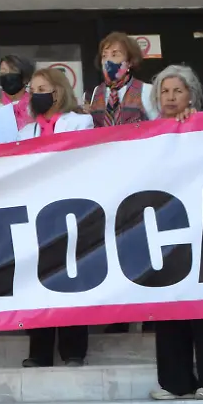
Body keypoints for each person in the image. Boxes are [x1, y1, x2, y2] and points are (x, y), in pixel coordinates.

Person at [146, 65, 203, 401]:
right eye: (164, 92)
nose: (170, 97)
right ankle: (175, 382)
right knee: (168, 304)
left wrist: (196, 128)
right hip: (165, 228)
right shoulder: (148, 133)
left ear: (191, 95)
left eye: (177, 91)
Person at [15, 68, 95, 367]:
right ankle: (40, 351)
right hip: (38, 214)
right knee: (39, 282)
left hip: (74, 208)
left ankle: (74, 350)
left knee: (73, 279)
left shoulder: (81, 122)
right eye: (32, 89)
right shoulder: (25, 132)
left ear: (58, 92)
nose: (35, 95)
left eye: (41, 88)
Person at [87, 33, 159, 333]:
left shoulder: (147, 92)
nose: (110, 59)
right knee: (115, 247)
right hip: (107, 184)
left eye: (116, 53)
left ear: (129, 60)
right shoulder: (95, 94)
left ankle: (152, 311)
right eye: (105, 53)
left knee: (146, 245)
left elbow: (162, 130)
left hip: (141, 179)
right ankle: (120, 314)